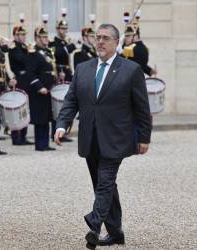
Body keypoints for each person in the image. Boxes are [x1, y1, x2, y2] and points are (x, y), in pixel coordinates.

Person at [54, 24, 152, 249]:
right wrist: (62, 125)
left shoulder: (131, 69)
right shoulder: (83, 68)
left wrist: (144, 137)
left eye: (105, 38)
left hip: (117, 137)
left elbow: (141, 108)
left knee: (105, 181)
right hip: (90, 138)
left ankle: (94, 225)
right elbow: (71, 101)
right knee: (103, 185)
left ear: (117, 42)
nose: (100, 41)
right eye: (97, 37)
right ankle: (116, 233)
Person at [27, 23, 56, 151]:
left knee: (47, 116)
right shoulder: (33, 53)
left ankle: (46, 143)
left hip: (49, 88)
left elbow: (50, 69)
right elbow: (31, 73)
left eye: (46, 36)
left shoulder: (48, 52)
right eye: (42, 37)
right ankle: (40, 144)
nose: (45, 39)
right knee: (40, 118)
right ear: (37, 38)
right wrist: (39, 87)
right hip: (39, 90)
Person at [49, 9, 75, 142]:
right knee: (58, 104)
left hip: (67, 73)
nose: (64, 31)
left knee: (67, 103)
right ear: (57, 30)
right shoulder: (54, 44)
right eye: (62, 29)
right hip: (60, 74)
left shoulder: (65, 43)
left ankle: (64, 131)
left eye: (65, 29)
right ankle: (56, 132)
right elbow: (57, 57)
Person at [7, 14, 33, 146]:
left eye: (24, 35)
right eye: (21, 35)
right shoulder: (14, 47)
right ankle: (16, 136)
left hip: (26, 78)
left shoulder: (23, 47)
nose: (24, 37)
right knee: (18, 109)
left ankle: (23, 135)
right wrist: (30, 53)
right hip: (20, 77)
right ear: (16, 35)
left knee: (25, 108)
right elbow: (22, 60)